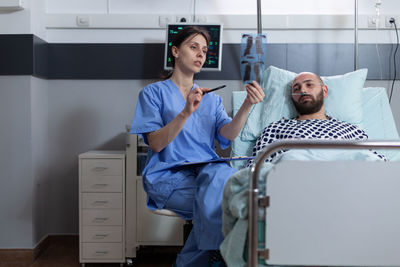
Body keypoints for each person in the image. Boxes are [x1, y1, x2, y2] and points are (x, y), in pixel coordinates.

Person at [130, 26, 265, 266]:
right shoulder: (152, 93)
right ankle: (219, 257)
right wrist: (186, 112)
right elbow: (157, 143)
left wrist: (247, 105)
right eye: (193, 47)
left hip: (207, 174)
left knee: (223, 180)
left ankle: (201, 259)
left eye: (204, 50)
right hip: (168, 176)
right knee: (230, 206)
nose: (201, 54)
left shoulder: (211, 98)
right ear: (175, 51)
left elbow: (228, 134)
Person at [246, 71, 386, 167]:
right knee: (291, 158)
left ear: (324, 91)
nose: (303, 90)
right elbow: (257, 168)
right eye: (296, 88)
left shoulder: (351, 130)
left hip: (348, 177)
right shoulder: (275, 129)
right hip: (300, 180)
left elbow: (375, 161)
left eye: (309, 84)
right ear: (292, 98)